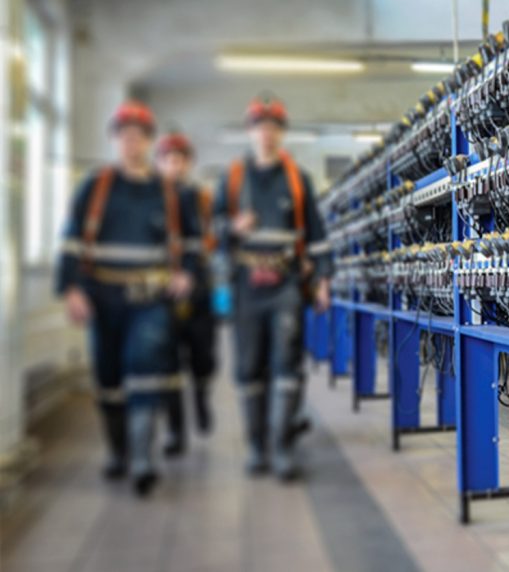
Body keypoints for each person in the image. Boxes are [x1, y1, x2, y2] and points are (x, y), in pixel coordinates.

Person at [57, 101, 201, 496]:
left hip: (150, 299)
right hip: (103, 298)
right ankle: (118, 452)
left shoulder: (168, 192)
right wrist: (71, 289)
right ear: (114, 140)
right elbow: (71, 240)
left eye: (138, 136)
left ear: (149, 141)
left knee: (145, 369)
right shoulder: (96, 187)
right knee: (109, 380)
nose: (131, 143)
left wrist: (186, 272)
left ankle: (141, 458)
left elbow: (191, 242)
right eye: (124, 136)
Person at [214, 96, 331, 480]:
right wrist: (232, 228)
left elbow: (316, 236)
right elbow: (212, 231)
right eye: (260, 127)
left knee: (286, 363)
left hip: (286, 285)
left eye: (273, 127)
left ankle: (281, 448)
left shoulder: (296, 180)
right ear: (250, 132)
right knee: (249, 367)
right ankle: (256, 446)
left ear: (281, 133)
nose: (266, 134)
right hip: (246, 286)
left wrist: (323, 281)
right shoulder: (233, 179)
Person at [156, 131, 217, 456]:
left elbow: (208, 241)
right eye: (168, 160)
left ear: (188, 163)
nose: (174, 166)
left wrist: (190, 274)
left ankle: (202, 398)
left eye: (180, 160)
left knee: (202, 357)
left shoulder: (201, 199)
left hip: (198, 290)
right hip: (162, 291)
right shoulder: (150, 199)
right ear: (159, 163)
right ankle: (175, 431)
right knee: (167, 363)